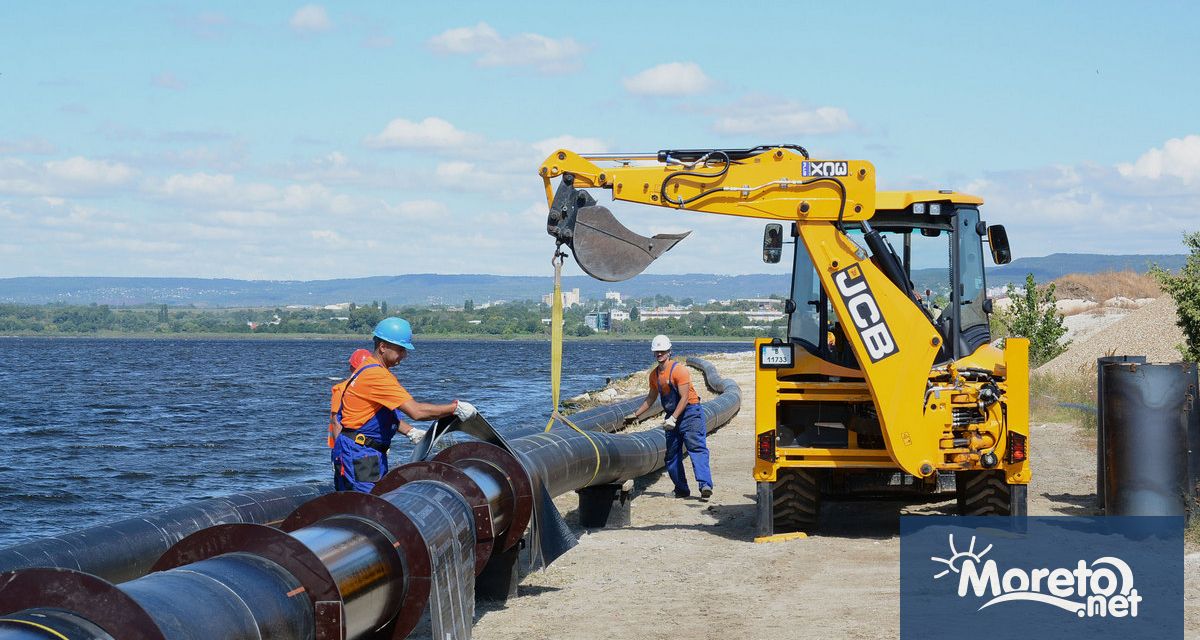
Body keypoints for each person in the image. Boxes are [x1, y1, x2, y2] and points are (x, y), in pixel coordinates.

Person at [330, 317, 477, 492]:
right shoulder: (377, 376)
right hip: (362, 455)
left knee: (361, 502)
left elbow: (380, 416)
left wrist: (410, 432)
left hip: (363, 451)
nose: (404, 356)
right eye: (400, 349)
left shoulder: (368, 369)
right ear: (383, 347)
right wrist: (455, 408)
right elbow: (417, 411)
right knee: (369, 505)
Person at [624, 334, 713, 499]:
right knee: (672, 454)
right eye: (656, 351)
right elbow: (651, 397)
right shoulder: (654, 375)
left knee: (696, 448)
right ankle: (681, 489)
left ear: (669, 352)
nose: (659, 354)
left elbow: (685, 397)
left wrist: (673, 419)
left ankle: (705, 485)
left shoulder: (679, 370)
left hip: (690, 413)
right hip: (672, 414)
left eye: (662, 351)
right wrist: (635, 415)